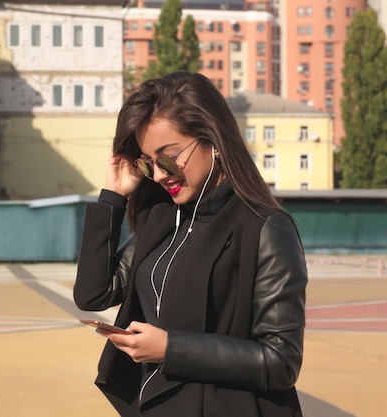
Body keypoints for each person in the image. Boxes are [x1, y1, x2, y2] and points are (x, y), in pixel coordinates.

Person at [74, 71, 307, 417]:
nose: (158, 175)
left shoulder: (266, 228)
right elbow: (93, 294)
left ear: (211, 139)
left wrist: (171, 349)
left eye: (167, 158)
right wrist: (113, 198)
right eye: (147, 162)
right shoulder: (162, 218)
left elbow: (281, 360)